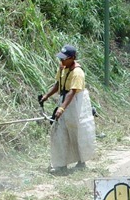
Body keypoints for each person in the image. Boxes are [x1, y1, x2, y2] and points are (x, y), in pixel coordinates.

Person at [40, 45, 96, 175]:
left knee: (77, 132)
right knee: (59, 132)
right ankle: (61, 164)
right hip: (64, 100)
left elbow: (73, 92)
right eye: (61, 58)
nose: (62, 61)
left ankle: (81, 162)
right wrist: (46, 96)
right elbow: (58, 84)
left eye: (64, 59)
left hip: (76, 103)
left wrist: (61, 108)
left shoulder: (78, 72)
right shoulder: (63, 68)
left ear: (72, 58)